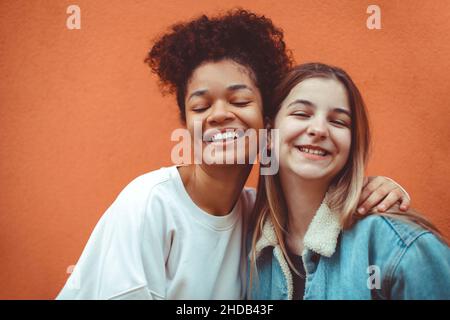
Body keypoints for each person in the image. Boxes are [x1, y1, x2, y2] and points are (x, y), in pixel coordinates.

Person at [57, 10, 410, 300]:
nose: (220, 114)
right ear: (187, 124)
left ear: (268, 122)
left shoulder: (258, 218)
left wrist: (375, 187)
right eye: (200, 106)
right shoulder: (151, 203)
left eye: (240, 101)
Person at [248, 63, 450, 300]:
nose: (319, 129)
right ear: (269, 134)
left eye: (338, 122)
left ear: (352, 144)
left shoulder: (399, 245)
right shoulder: (250, 240)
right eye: (302, 114)